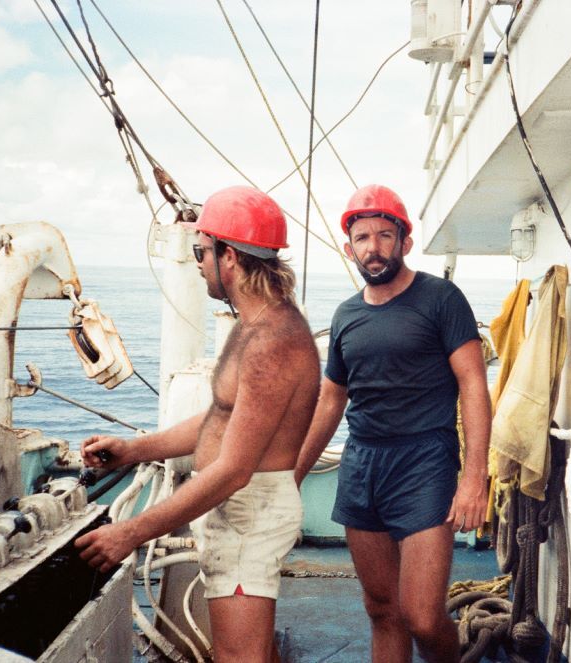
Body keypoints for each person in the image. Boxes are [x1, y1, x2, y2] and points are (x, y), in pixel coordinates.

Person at [75, 186, 320, 663]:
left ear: (229, 256)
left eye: (200, 251)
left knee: (237, 657)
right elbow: (218, 420)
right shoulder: (254, 326)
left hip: (250, 512)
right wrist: (133, 449)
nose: (200, 264)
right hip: (239, 509)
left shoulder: (271, 341)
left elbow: (233, 469)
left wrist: (132, 532)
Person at [294, 184, 491, 662]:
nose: (373, 247)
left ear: (404, 241)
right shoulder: (346, 315)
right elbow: (331, 399)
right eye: (362, 237)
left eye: (385, 235)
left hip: (425, 461)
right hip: (363, 464)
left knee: (422, 616)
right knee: (382, 610)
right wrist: (293, 475)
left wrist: (474, 478)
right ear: (349, 248)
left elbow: (473, 386)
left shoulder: (441, 298)